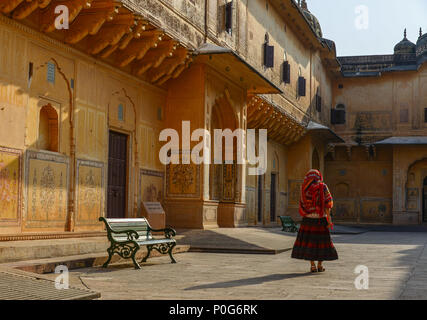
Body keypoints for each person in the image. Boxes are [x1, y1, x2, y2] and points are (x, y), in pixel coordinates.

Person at [291, 169, 338, 272]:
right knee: (321, 243)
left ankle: (312, 265)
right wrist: (329, 220)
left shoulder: (304, 188)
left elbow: (302, 203)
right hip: (321, 219)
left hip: (308, 220)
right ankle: (320, 265)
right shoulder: (323, 187)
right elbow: (328, 205)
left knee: (309, 243)